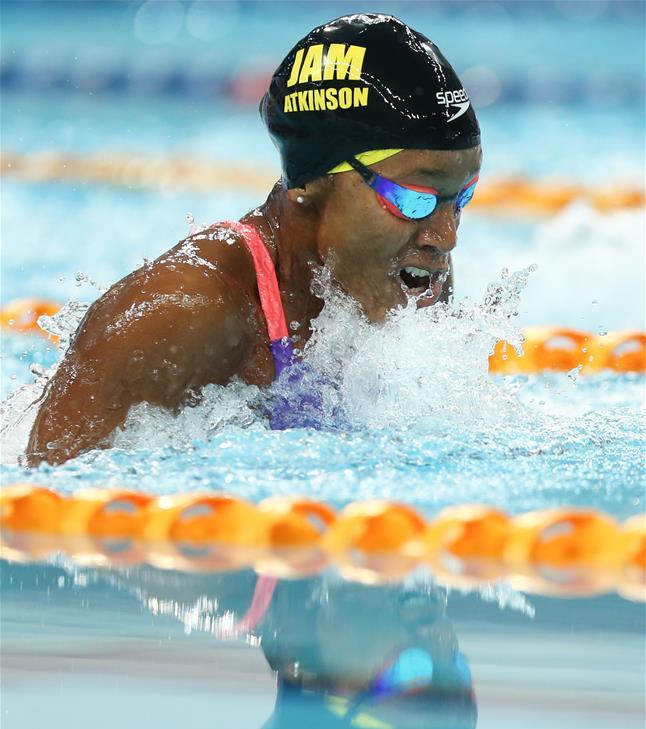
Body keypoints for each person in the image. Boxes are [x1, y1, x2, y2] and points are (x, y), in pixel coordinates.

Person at [26, 13, 481, 466]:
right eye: (415, 200)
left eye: (461, 198)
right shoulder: (179, 315)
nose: (446, 237)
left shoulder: (415, 279)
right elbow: (39, 511)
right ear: (311, 182)